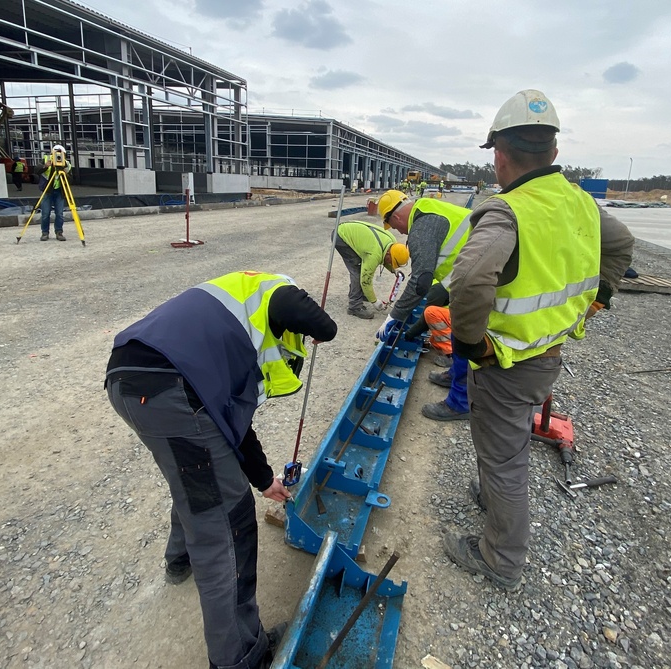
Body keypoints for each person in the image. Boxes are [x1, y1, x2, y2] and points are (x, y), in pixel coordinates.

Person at [443, 89, 634, 590]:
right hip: (548, 350)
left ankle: (501, 559)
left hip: (507, 361)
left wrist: (469, 344)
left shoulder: (508, 211)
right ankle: (492, 497)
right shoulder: (580, 203)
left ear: (499, 155)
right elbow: (621, 244)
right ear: (553, 153)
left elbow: (468, 281)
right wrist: (600, 296)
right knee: (503, 447)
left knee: (504, 457)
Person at [105, 271, 337, 669]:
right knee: (227, 523)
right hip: (171, 389)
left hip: (128, 380)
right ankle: (240, 658)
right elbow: (317, 321)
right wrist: (325, 330)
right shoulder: (272, 293)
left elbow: (234, 429)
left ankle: (180, 560)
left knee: (198, 477)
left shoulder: (228, 324)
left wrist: (265, 480)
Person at [375, 191, 474, 421]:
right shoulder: (429, 208)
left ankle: (460, 403)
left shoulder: (421, 228)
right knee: (460, 329)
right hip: (470, 277)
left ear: (396, 217)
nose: (399, 232)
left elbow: (420, 282)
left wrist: (394, 316)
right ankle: (456, 374)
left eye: (393, 226)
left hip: (478, 280)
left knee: (468, 334)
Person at [333, 220, 409, 319]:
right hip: (341, 236)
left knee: (362, 268)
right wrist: (374, 301)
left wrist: (394, 270)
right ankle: (354, 306)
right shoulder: (374, 255)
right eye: (392, 262)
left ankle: (361, 294)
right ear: (389, 254)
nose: (391, 264)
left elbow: (385, 257)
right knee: (358, 272)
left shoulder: (392, 243)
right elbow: (365, 281)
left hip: (351, 229)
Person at [39, 144, 71, 241]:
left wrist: (66, 173)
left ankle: (59, 232)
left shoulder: (67, 164)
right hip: (47, 191)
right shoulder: (46, 160)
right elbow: (36, 170)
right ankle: (45, 233)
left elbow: (71, 180)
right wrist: (45, 166)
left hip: (59, 192)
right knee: (45, 213)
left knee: (59, 214)